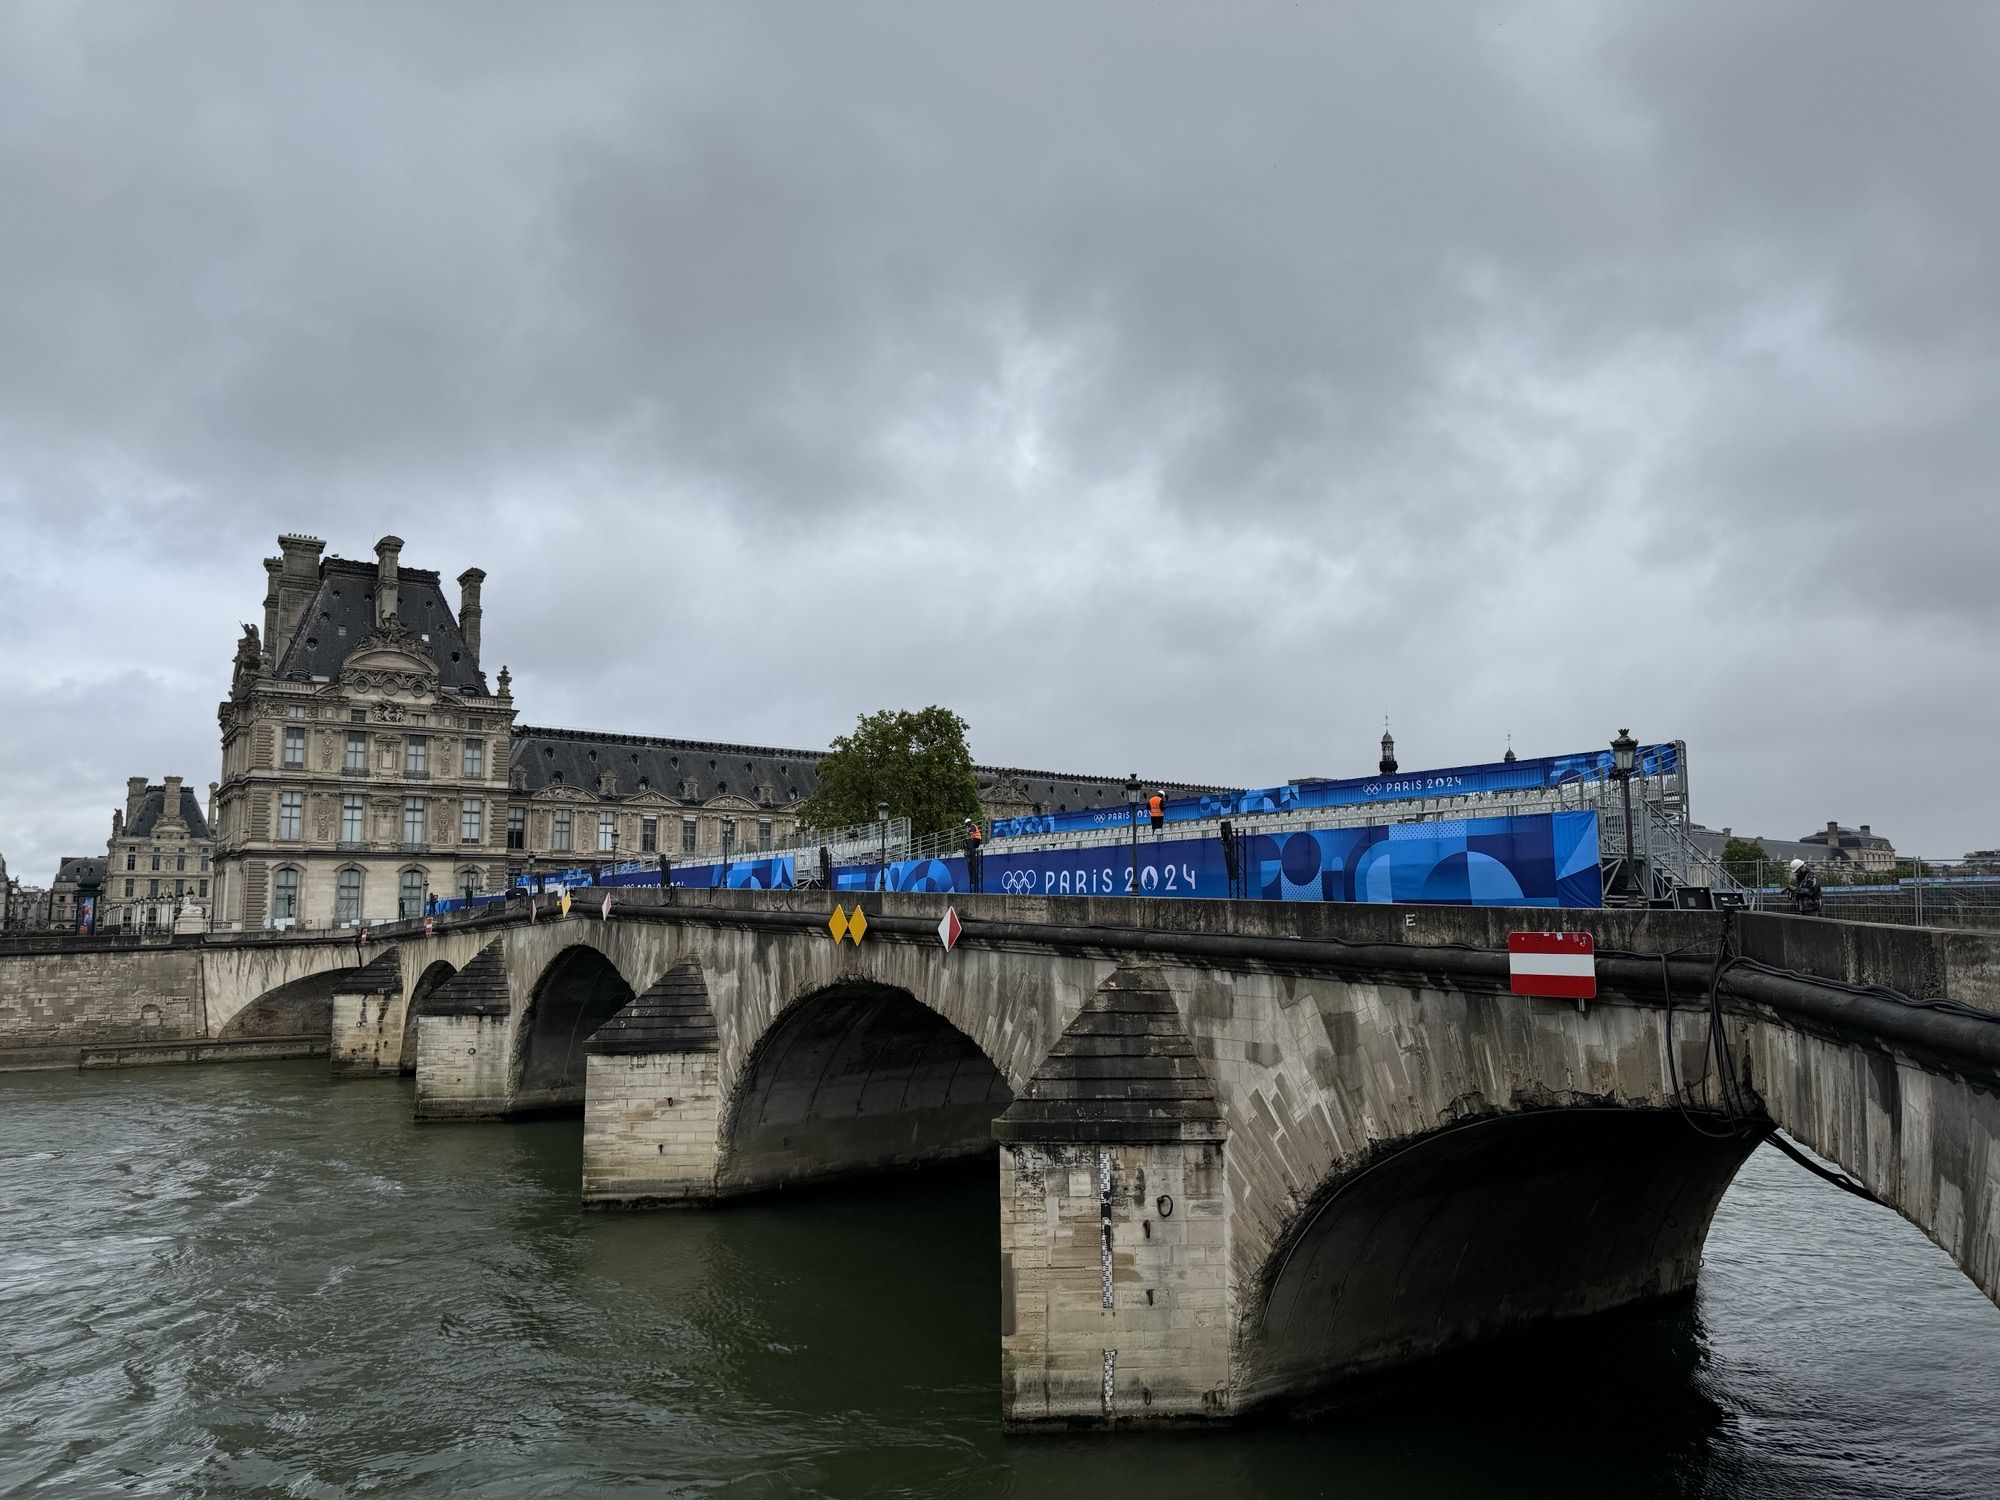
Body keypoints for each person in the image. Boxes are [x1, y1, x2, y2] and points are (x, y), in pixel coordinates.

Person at [963, 818, 984, 894]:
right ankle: (969, 852)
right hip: (974, 840)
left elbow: (973, 830)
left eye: (967, 824)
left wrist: (969, 831)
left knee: (969, 843)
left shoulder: (972, 825)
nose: (967, 826)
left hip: (977, 840)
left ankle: (971, 853)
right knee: (967, 843)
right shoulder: (970, 827)